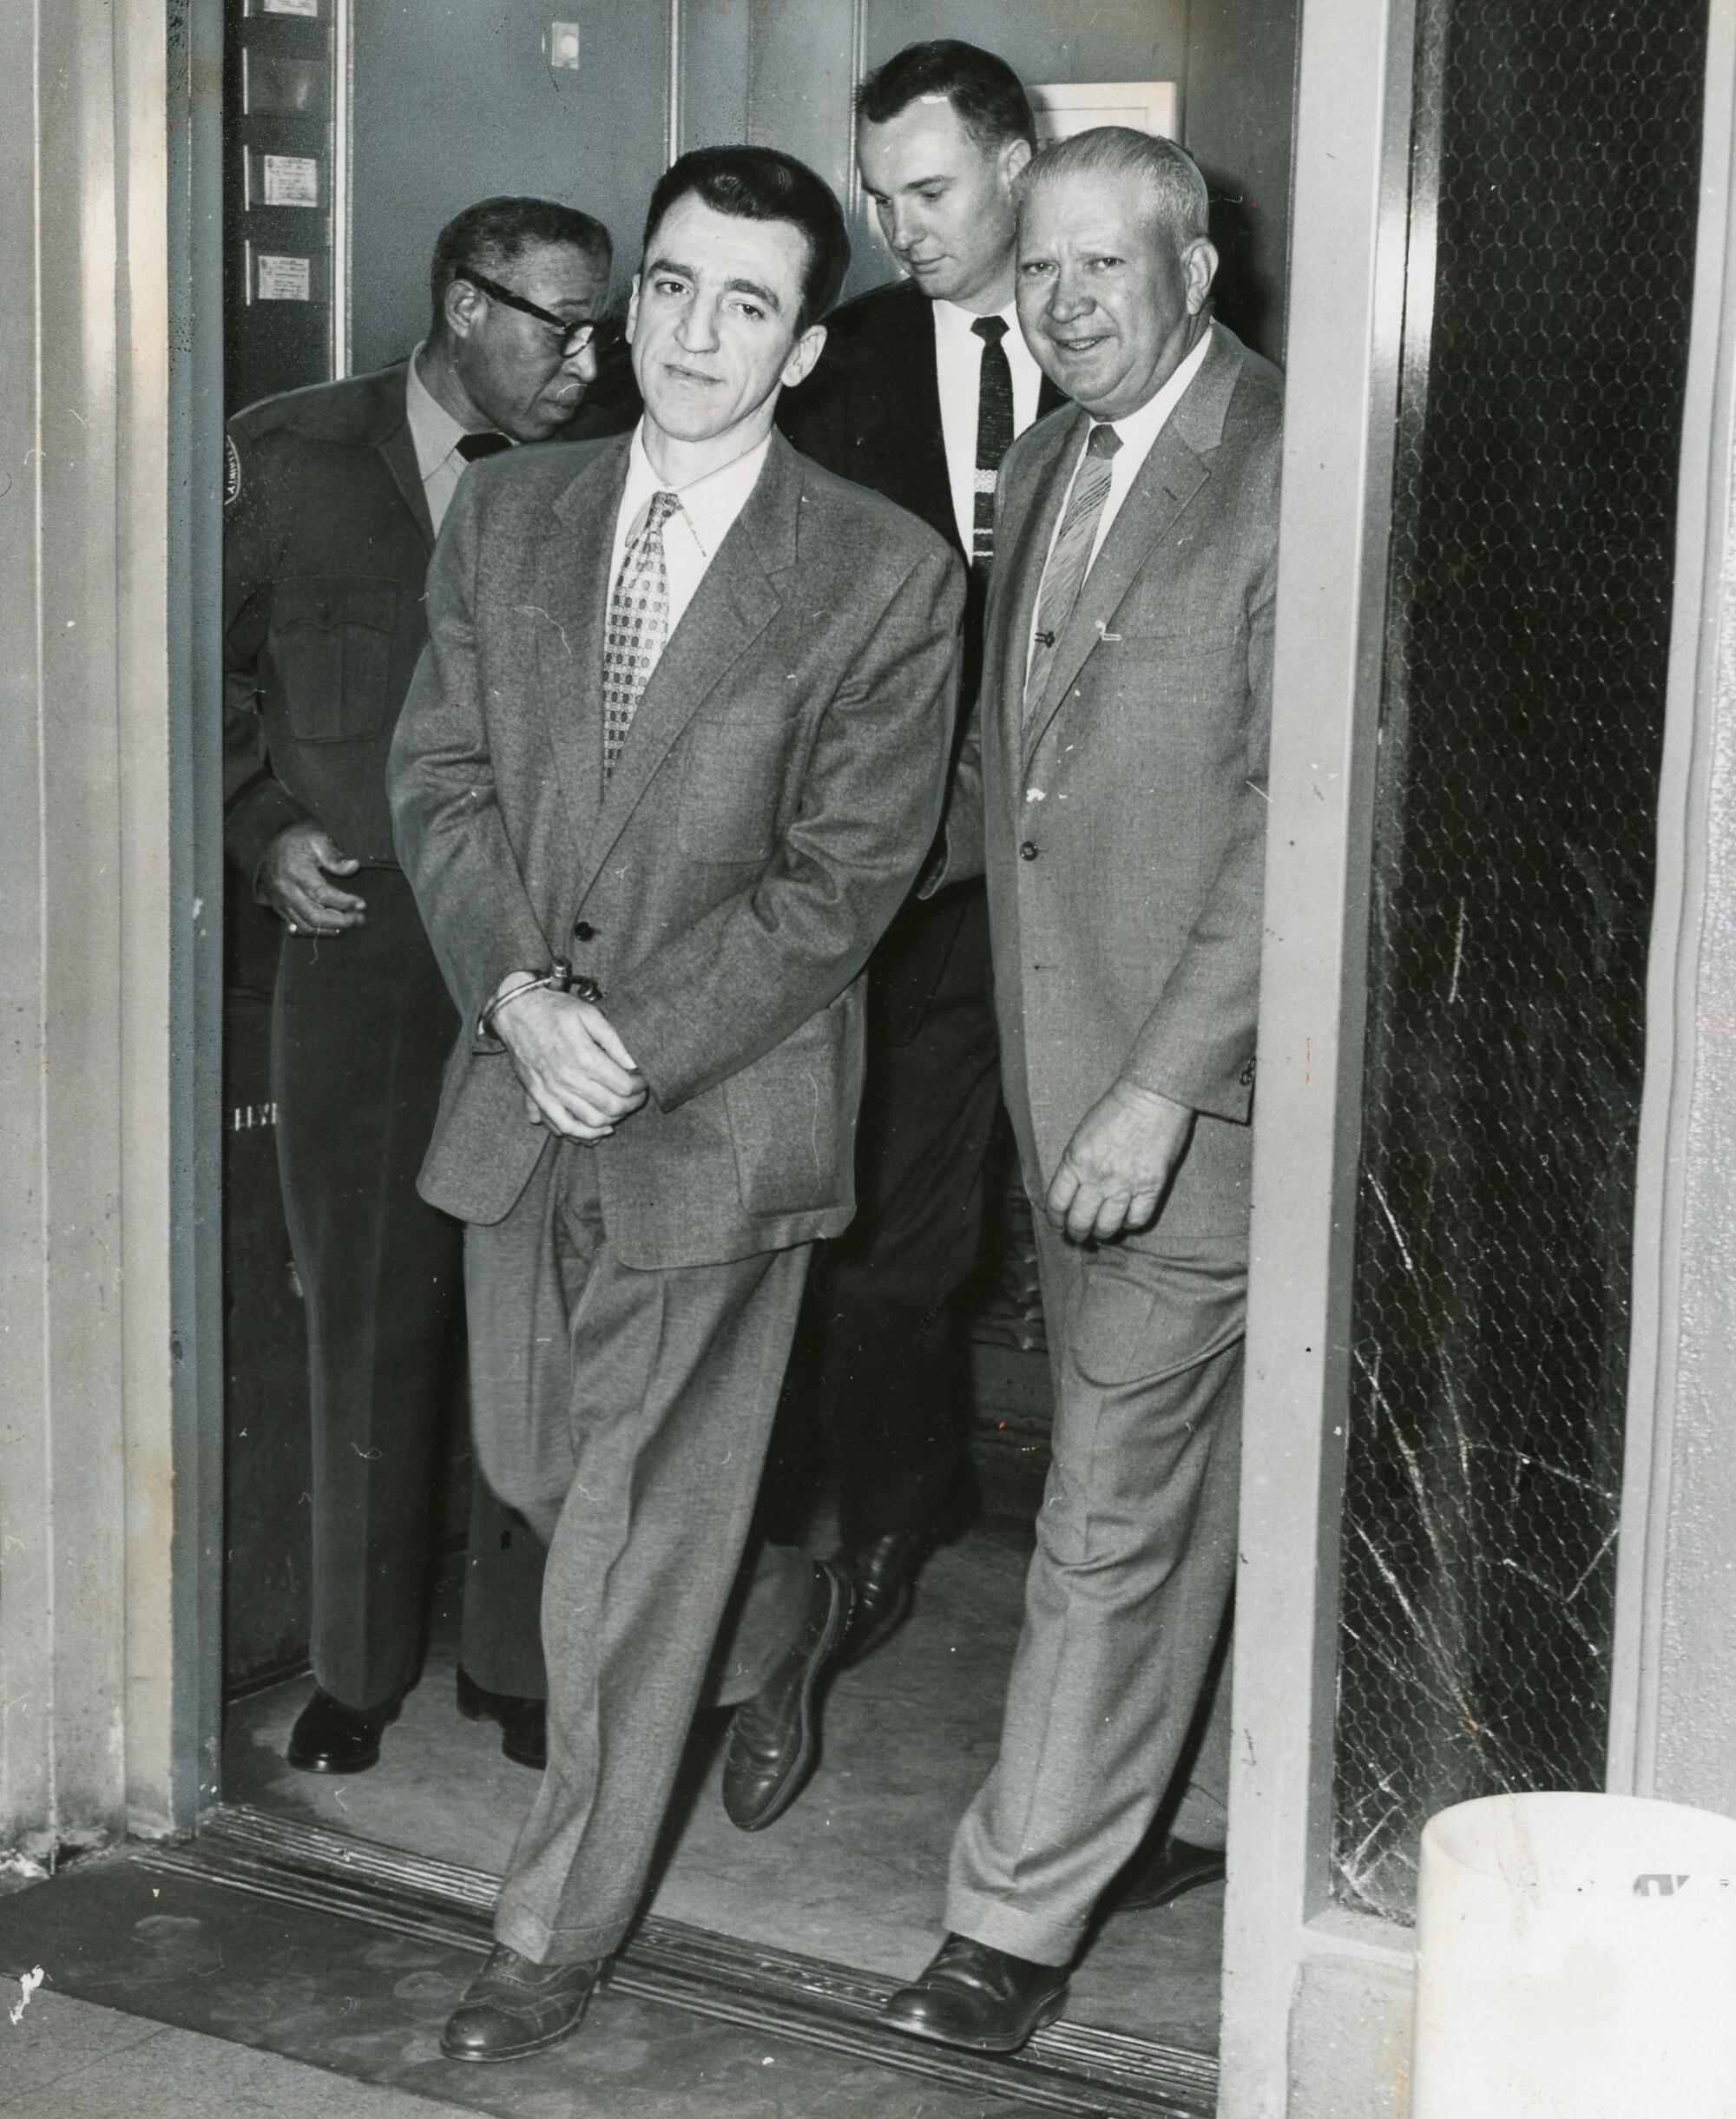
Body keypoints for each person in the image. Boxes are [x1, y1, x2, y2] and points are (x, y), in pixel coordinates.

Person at [387, 144, 963, 2065]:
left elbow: (844, 878)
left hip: (720, 1112)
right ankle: (773, 1589)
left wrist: (619, 1033)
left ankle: (549, 1936)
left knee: (627, 1533)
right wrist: (520, 999)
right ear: (629, 299)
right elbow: (440, 780)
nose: (695, 334)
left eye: (747, 304)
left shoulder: (880, 576)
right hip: (519, 1092)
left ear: (802, 347)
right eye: (670, 286)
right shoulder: (508, 515)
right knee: (547, 1477)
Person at [882, 127, 1280, 2053]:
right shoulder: (1044, 460)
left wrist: (1155, 1089)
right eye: (1033, 270)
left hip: (1193, 1111)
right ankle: (1178, 1813)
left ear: (1194, 272)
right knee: (1173, 1484)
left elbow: (1297, 825)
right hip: (1065, 1082)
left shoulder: (1289, 467)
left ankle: (1009, 1914)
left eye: (1103, 268)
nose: (1060, 304)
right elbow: (1006, 789)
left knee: (1107, 1502)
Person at [222, 196, 615, 1777]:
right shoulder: (290, 453)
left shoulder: (608, 480)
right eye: (557, 324)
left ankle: (518, 1662)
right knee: (368, 1308)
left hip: (547, 947)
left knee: (540, 1306)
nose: (589, 361)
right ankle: (356, 1667)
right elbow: (198, 668)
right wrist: (262, 829)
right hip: (366, 943)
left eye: (603, 327)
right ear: (464, 304)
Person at [774, 39, 1065, 1657]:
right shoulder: (848, 361)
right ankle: (888, 1525)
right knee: (891, 1235)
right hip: (909, 881)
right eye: (880, 196)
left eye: (931, 190)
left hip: (1093, 877)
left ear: (1020, 164)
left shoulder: (1129, 337)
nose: (900, 225)